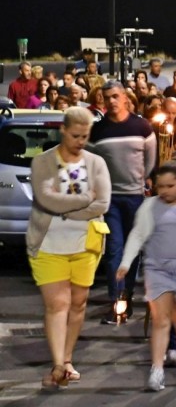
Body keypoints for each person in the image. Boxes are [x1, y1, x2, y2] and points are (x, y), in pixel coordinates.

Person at [27, 107, 111, 389]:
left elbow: (103, 204)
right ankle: (58, 365)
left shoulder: (97, 162)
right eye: (75, 135)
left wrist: (69, 210)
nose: (80, 141)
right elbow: (45, 200)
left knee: (78, 303)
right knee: (57, 304)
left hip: (86, 244)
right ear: (63, 130)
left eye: (85, 136)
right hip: (48, 243)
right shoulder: (42, 162)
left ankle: (67, 358)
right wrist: (85, 199)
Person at [116, 162, 176, 391]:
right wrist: (125, 262)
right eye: (160, 186)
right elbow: (138, 235)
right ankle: (157, 370)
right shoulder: (149, 206)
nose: (164, 191)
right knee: (160, 321)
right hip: (157, 269)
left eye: (170, 185)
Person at [88, 81, 156, 324]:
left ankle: (127, 295)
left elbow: (150, 160)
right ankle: (117, 301)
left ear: (126, 98)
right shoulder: (98, 130)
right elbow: (92, 163)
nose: (111, 101)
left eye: (115, 96)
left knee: (133, 249)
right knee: (115, 249)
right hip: (111, 199)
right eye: (107, 98)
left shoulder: (141, 126)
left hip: (135, 197)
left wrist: (139, 181)